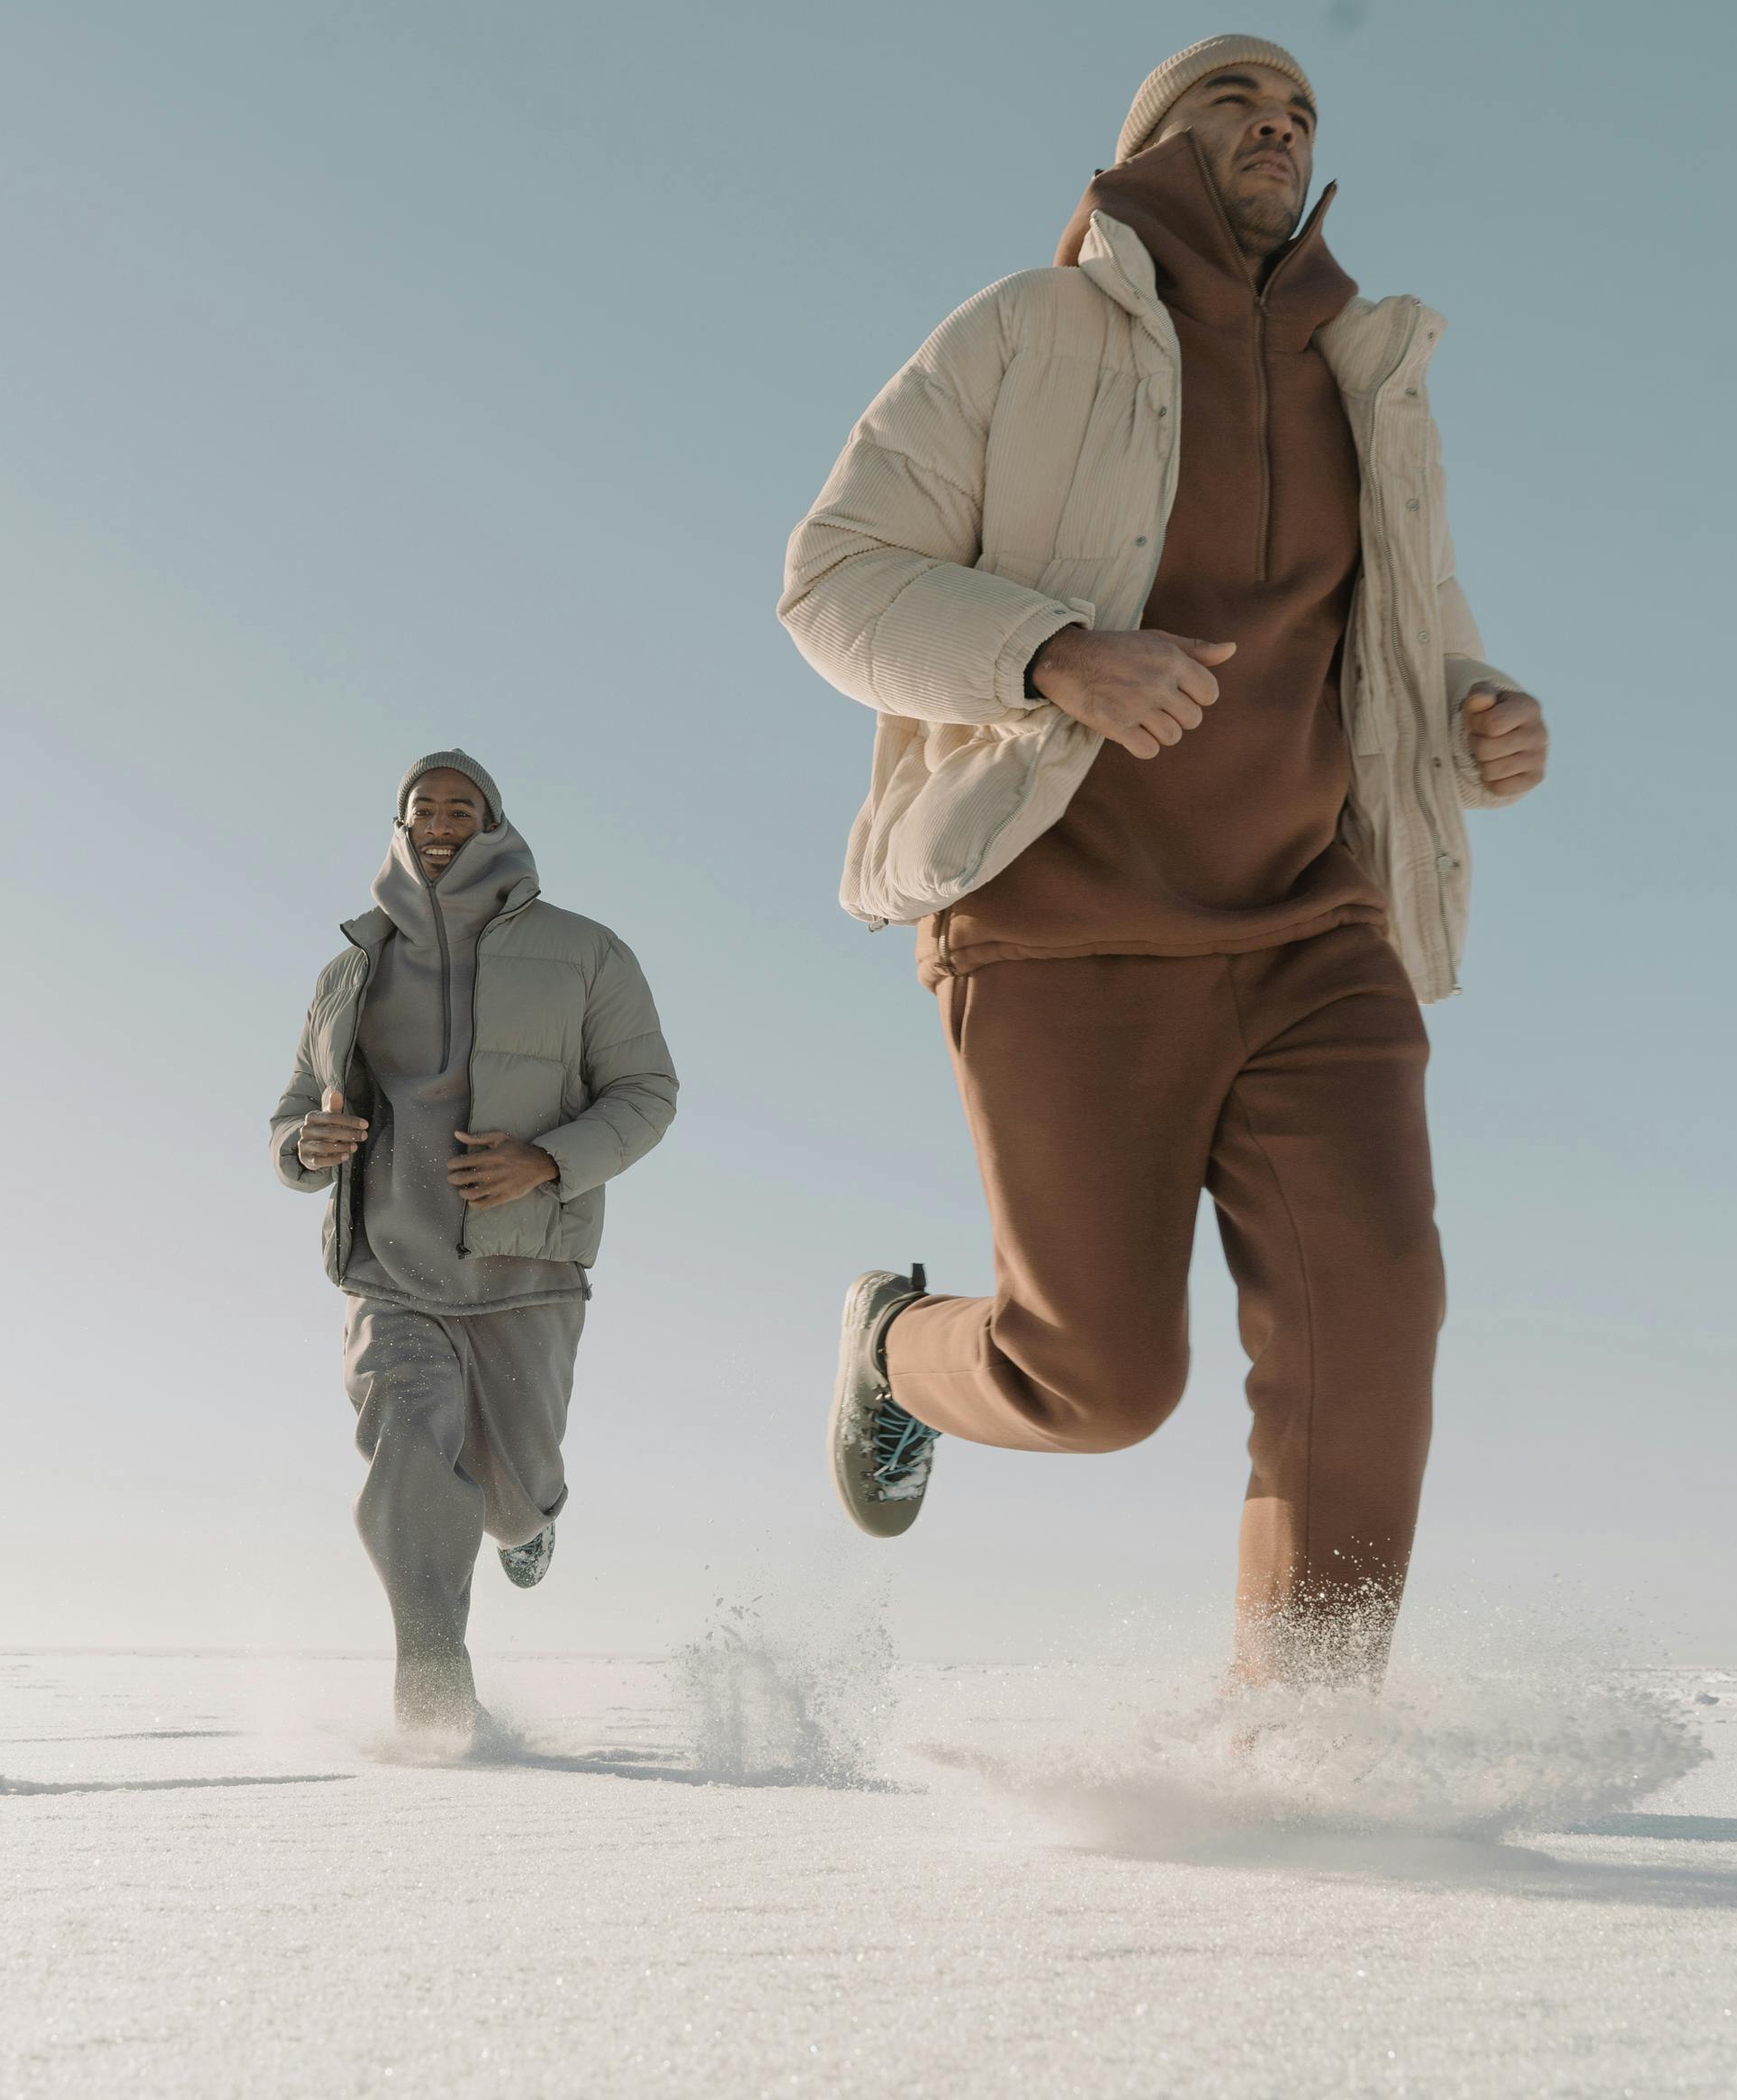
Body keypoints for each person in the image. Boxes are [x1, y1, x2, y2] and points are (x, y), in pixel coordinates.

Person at [778, 36, 1552, 1687]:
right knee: (1101, 1381)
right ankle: (896, 1354)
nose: (1279, 123)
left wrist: (1478, 708)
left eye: (1302, 113)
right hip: (1060, 923)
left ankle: (1306, 1754)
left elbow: (1412, 618)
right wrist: (1052, 652)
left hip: (1311, 927)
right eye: (1236, 100)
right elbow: (834, 578)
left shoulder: (1367, 370)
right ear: (1152, 143)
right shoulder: (1024, 331)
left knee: (1374, 1321)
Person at [268, 753, 677, 1735]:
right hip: (390, 1265)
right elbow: (293, 1109)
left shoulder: (585, 951)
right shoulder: (348, 970)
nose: (441, 822)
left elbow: (646, 1094)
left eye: (462, 807)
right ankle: (435, 1687)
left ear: (496, 823)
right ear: (399, 827)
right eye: (424, 809)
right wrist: (302, 1145)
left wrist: (544, 1160)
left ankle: (528, 1524)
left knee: (512, 1490)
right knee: (407, 1451)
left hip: (524, 1271)